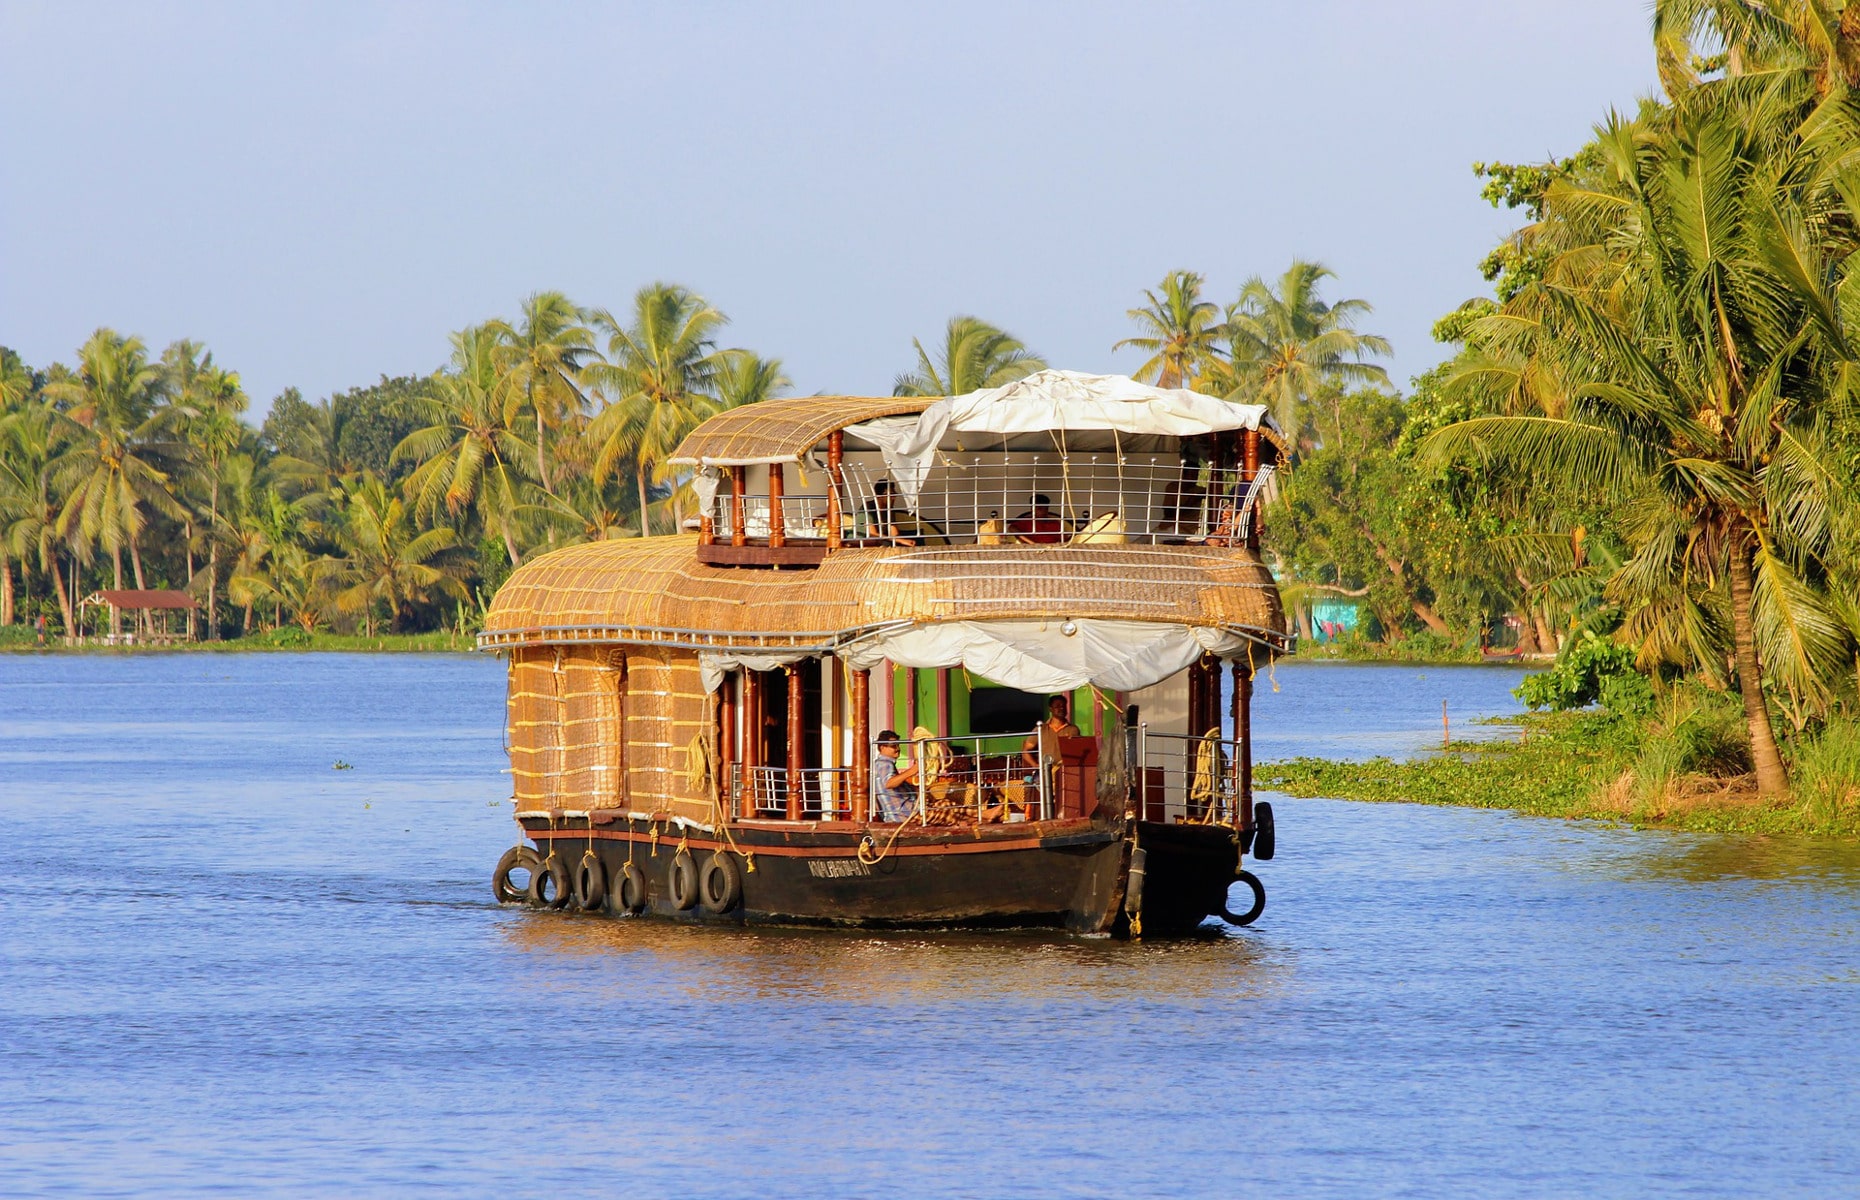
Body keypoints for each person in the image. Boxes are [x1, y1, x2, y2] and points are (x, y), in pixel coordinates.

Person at [870, 729, 921, 821]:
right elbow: (889, 783)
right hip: (904, 815)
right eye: (893, 746)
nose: (898, 748)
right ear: (882, 747)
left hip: (907, 812)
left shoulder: (883, 764)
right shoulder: (884, 763)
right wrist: (912, 770)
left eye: (898, 745)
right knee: (949, 808)